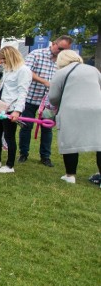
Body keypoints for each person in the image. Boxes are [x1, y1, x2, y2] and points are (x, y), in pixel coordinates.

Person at [47, 50, 101, 185]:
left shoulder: (61, 73)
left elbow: (53, 97)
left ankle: (70, 175)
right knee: (99, 143)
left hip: (71, 110)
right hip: (97, 109)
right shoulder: (93, 70)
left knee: (70, 142)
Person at [19, 35, 72, 166]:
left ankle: (45, 157)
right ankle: (23, 153)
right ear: (53, 44)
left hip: (50, 102)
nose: (61, 52)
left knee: (47, 128)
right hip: (30, 97)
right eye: (60, 48)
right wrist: (44, 82)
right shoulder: (36, 54)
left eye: (65, 50)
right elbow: (27, 72)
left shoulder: (64, 61)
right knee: (26, 127)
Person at [0, 46, 32, 174]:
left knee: (9, 136)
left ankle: (9, 165)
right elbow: (6, 89)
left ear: (10, 56)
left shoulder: (23, 71)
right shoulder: (8, 70)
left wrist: (17, 111)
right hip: (0, 107)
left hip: (11, 108)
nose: (1, 61)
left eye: (3, 58)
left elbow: (22, 92)